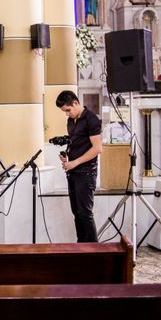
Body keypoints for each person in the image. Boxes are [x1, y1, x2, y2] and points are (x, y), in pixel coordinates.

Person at [56, 90, 102, 243]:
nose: (67, 114)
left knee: (85, 213)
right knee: (76, 213)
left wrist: (74, 162)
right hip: (73, 173)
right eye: (64, 111)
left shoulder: (91, 119)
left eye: (68, 110)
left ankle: (95, 252)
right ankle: (81, 248)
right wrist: (67, 156)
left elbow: (97, 148)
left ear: (75, 103)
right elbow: (77, 143)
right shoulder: (71, 121)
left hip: (86, 172)